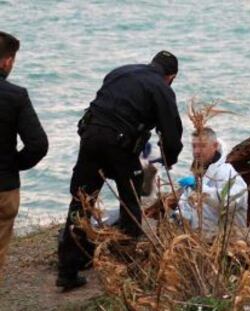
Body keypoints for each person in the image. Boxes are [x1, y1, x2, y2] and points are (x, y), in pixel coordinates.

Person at [56, 51, 183, 290]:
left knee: (81, 202)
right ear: (171, 76)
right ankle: (127, 268)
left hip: (90, 137)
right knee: (131, 203)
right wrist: (170, 158)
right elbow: (172, 133)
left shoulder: (120, 72)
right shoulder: (162, 88)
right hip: (119, 146)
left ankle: (68, 270)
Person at [0, 31, 48, 273]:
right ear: (6, 61)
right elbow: (38, 144)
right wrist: (11, 164)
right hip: (3, 187)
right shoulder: (15, 96)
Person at [175, 127, 248, 231]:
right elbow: (185, 204)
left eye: (202, 146)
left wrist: (200, 189)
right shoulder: (198, 173)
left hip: (226, 241)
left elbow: (229, 202)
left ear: (215, 146)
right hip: (201, 240)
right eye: (194, 146)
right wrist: (179, 215)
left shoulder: (228, 173)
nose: (196, 151)